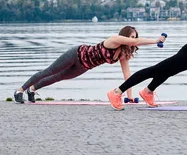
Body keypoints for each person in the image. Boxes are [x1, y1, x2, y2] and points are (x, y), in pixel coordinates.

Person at [14, 26, 166, 104]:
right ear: (125, 35)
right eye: (131, 37)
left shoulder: (123, 55)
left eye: (135, 37)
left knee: (58, 77)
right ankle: (20, 90)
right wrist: (155, 41)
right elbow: (134, 42)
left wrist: (130, 98)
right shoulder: (114, 39)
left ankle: (32, 90)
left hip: (84, 67)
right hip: (76, 54)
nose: (133, 40)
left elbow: (127, 76)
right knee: (49, 71)